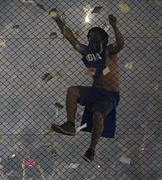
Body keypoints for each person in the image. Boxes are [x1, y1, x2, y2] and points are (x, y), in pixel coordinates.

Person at [49, 9, 124, 162]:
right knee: (72, 91)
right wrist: (57, 19)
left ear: (103, 39)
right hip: (96, 91)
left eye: (94, 35)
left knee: (98, 115)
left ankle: (91, 150)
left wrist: (115, 26)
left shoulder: (109, 50)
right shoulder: (87, 51)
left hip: (110, 93)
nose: (91, 38)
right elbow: (71, 38)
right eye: (89, 36)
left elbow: (120, 44)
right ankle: (70, 124)